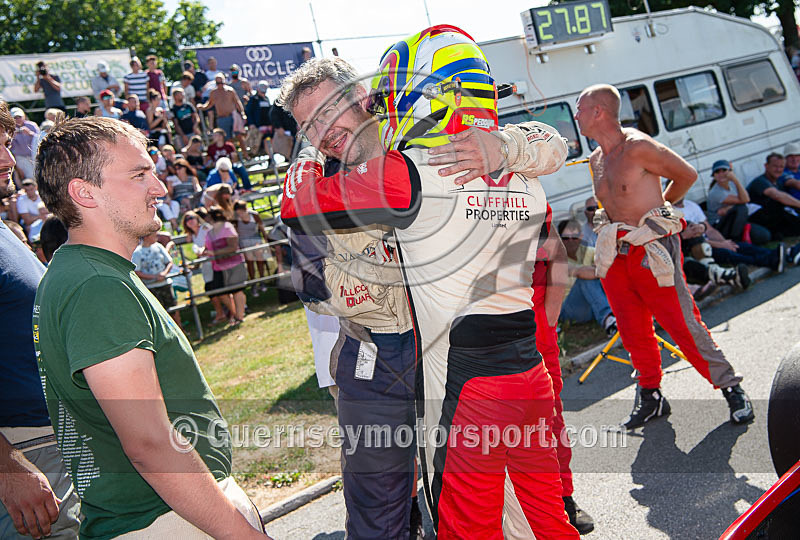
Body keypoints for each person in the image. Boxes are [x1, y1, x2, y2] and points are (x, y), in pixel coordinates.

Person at [279, 28, 578, 538]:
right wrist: (507, 142)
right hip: (483, 364)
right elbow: (555, 147)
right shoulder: (514, 169)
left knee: (469, 515)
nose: (320, 132)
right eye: (308, 126)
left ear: (374, 98)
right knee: (530, 515)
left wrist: (504, 143)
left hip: (460, 371)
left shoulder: (407, 164)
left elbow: (298, 205)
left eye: (327, 113)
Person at [33, 116, 269, 538]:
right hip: (161, 520)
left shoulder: (83, 272)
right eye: (139, 175)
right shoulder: (97, 284)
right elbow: (149, 444)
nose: (159, 188)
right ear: (84, 192)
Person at [574, 83, 754, 429]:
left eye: (580, 108)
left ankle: (731, 387)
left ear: (599, 112)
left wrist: (660, 213)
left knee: (682, 324)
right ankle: (651, 394)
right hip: (617, 254)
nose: (577, 115)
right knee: (632, 330)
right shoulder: (595, 159)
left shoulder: (638, 146)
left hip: (652, 250)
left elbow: (686, 175)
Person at [0, 100, 81, 540]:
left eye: (8, 143)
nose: (8, 160)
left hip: (51, 439)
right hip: (22, 452)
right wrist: (7, 466)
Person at [557, 220, 617, 336]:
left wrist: (599, 271)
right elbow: (581, 272)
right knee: (584, 280)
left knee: (605, 276)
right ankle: (608, 321)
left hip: (593, 305)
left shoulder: (590, 252)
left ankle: (616, 314)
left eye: (574, 237)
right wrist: (599, 271)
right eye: (565, 238)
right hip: (569, 310)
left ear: (581, 236)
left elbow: (610, 267)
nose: (570, 242)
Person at [706, 159, 771, 245]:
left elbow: (745, 198)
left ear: (730, 172)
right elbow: (745, 200)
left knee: (764, 234)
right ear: (714, 175)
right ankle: (736, 240)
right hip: (720, 226)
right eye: (717, 172)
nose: (721, 174)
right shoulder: (715, 192)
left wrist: (734, 180)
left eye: (724, 170)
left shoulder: (731, 184)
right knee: (741, 208)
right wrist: (736, 181)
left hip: (736, 221)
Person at [204, 205, 247, 324]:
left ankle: (239, 317)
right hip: (218, 266)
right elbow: (208, 247)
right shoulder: (209, 232)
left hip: (235, 264)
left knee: (237, 291)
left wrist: (214, 252)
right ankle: (234, 313)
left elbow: (232, 247)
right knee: (221, 293)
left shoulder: (228, 227)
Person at [746, 152, 800, 239]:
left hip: (775, 218)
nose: (778, 169)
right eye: (775, 166)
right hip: (758, 221)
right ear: (766, 166)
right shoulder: (760, 181)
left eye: (781, 167)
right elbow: (777, 195)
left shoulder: (778, 182)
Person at [233, 200, 269, 297]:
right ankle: (253, 284)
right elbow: (236, 232)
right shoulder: (236, 219)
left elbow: (261, 228)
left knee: (260, 260)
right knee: (250, 263)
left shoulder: (254, 215)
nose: (240, 214)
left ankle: (262, 280)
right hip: (244, 242)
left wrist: (266, 238)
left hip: (256, 239)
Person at [198, 74, 246, 140]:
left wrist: (242, 113)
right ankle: (232, 150)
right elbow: (210, 104)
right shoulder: (213, 93)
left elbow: (237, 102)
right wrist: (202, 107)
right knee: (227, 138)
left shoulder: (230, 90)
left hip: (233, 116)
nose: (220, 85)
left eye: (221, 82)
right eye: (218, 83)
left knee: (239, 136)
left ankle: (244, 150)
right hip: (222, 118)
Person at [9, 107, 38, 182]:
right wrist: (12, 136)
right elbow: (9, 147)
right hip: (21, 158)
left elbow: (40, 138)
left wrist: (30, 133)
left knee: (38, 175)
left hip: (34, 155)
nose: (18, 119)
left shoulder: (32, 125)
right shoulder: (10, 129)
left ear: (24, 116)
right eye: (15, 117)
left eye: (19, 117)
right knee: (30, 177)